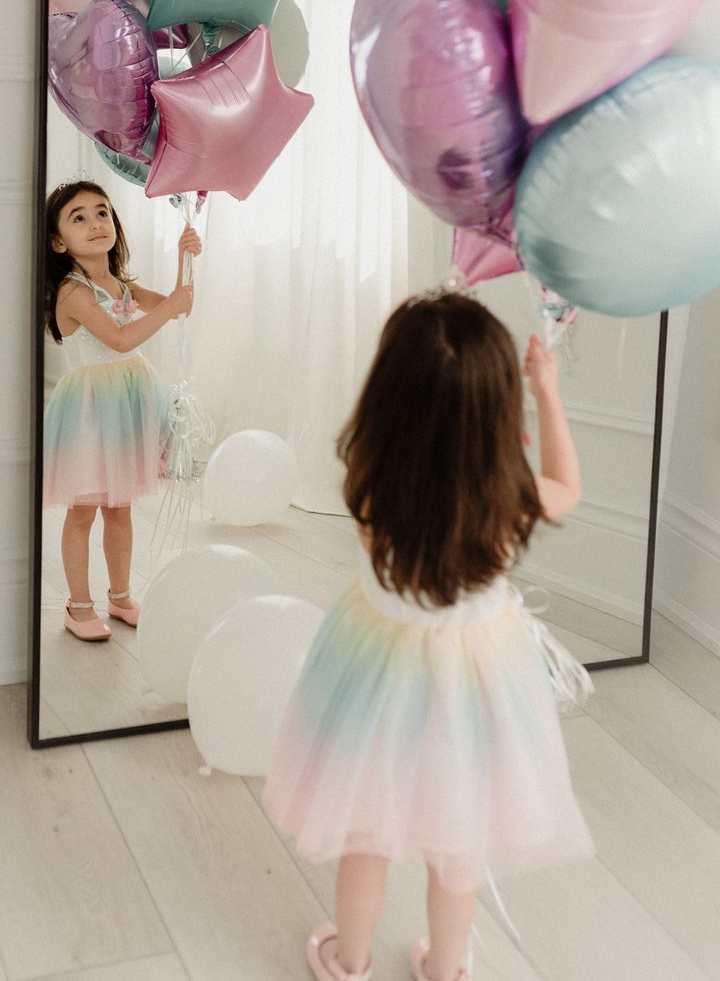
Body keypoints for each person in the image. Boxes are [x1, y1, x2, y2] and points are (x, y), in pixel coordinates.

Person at [262, 291, 594, 981]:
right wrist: (547, 391)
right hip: (476, 680)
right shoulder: (510, 501)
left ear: (389, 402)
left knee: (364, 831)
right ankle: (445, 971)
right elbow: (567, 480)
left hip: (374, 664)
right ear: (496, 411)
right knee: (458, 842)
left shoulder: (371, 486)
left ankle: (350, 961)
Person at [43, 178, 201, 642]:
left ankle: (119, 594)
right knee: (83, 510)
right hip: (91, 410)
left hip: (126, 403)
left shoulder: (118, 282)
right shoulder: (74, 292)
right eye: (79, 217)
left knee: (119, 509)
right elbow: (120, 338)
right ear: (58, 241)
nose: (95, 223)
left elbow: (180, 305)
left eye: (102, 212)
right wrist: (170, 305)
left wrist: (183, 259)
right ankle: (78, 604)